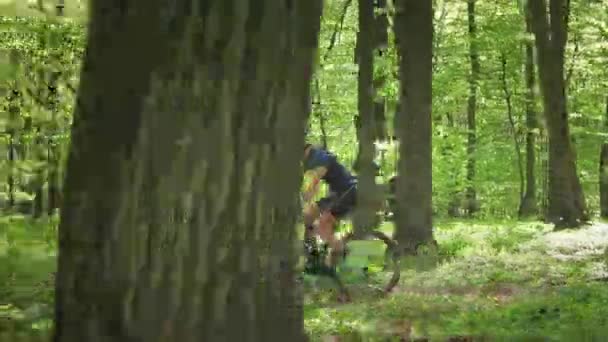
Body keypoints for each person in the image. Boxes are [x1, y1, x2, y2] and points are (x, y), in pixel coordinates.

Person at [301, 143, 358, 256]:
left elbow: (314, 184)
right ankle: (312, 251)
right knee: (308, 216)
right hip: (342, 193)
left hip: (346, 193)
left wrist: (305, 197)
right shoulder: (318, 156)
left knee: (322, 226)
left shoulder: (318, 157)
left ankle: (340, 255)